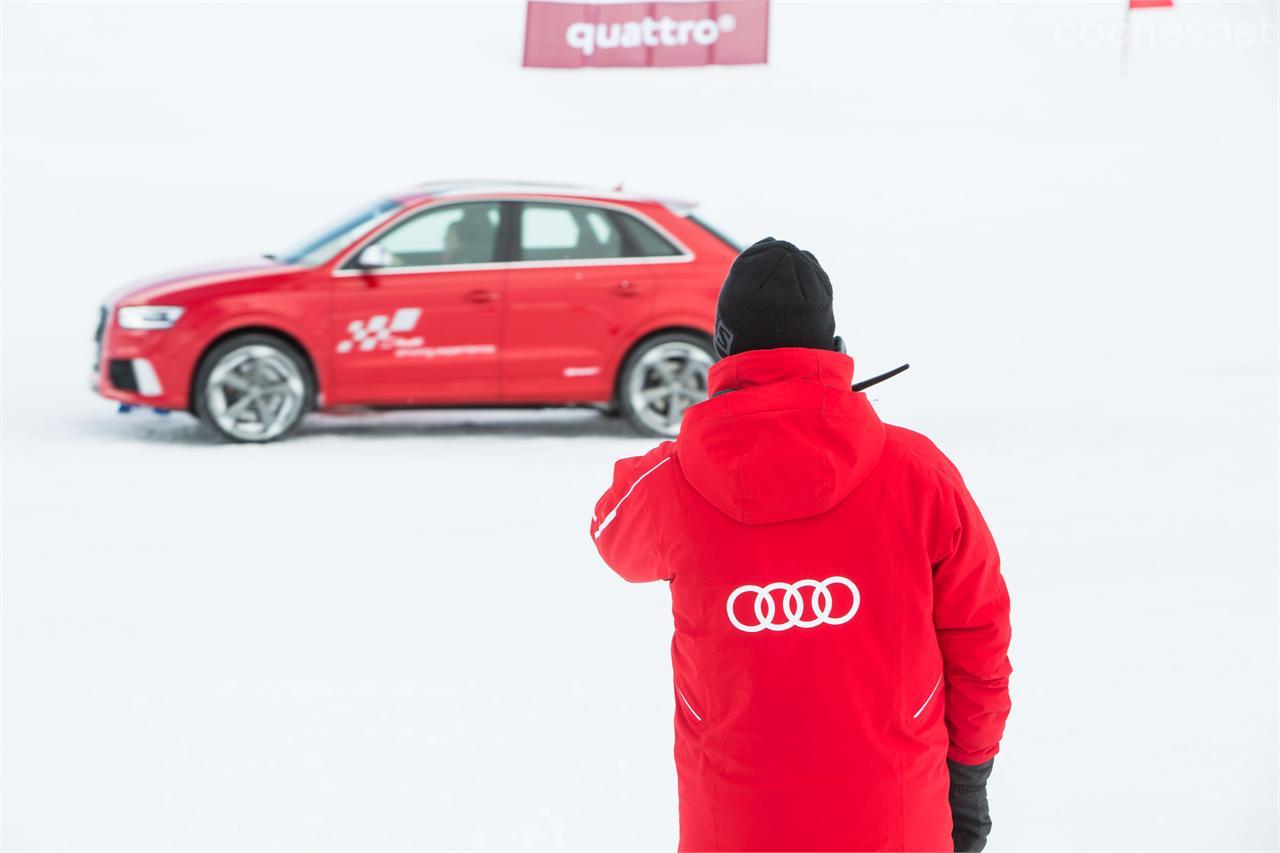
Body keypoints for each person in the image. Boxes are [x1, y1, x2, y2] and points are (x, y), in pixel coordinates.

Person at [589, 238, 1013, 852]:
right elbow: (979, 638)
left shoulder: (674, 482)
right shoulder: (918, 472)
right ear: (833, 349)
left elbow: (610, 533)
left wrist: (713, 425)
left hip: (733, 826)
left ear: (724, 348)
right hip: (896, 820)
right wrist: (969, 779)